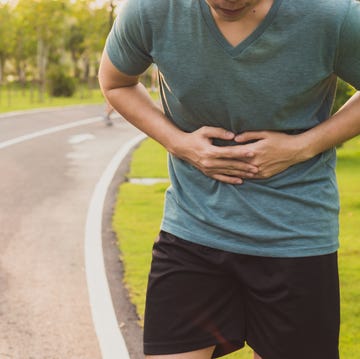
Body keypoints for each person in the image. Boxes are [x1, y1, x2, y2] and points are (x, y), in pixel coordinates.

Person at [98, 0, 360, 358]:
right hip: (193, 230)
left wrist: (300, 147)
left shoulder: (333, 14)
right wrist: (180, 144)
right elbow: (115, 82)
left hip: (296, 238)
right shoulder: (150, 9)